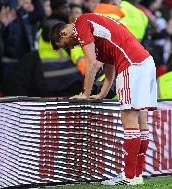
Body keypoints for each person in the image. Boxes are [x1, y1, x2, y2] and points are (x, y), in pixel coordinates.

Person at [50, 13, 157, 185]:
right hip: (145, 62)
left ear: (64, 34)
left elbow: (92, 63)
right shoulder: (97, 35)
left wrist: (85, 93)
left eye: (66, 46)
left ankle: (128, 177)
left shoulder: (81, 24)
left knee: (129, 120)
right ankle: (137, 175)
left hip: (131, 65)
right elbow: (109, 66)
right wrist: (101, 94)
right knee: (141, 122)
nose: (72, 47)